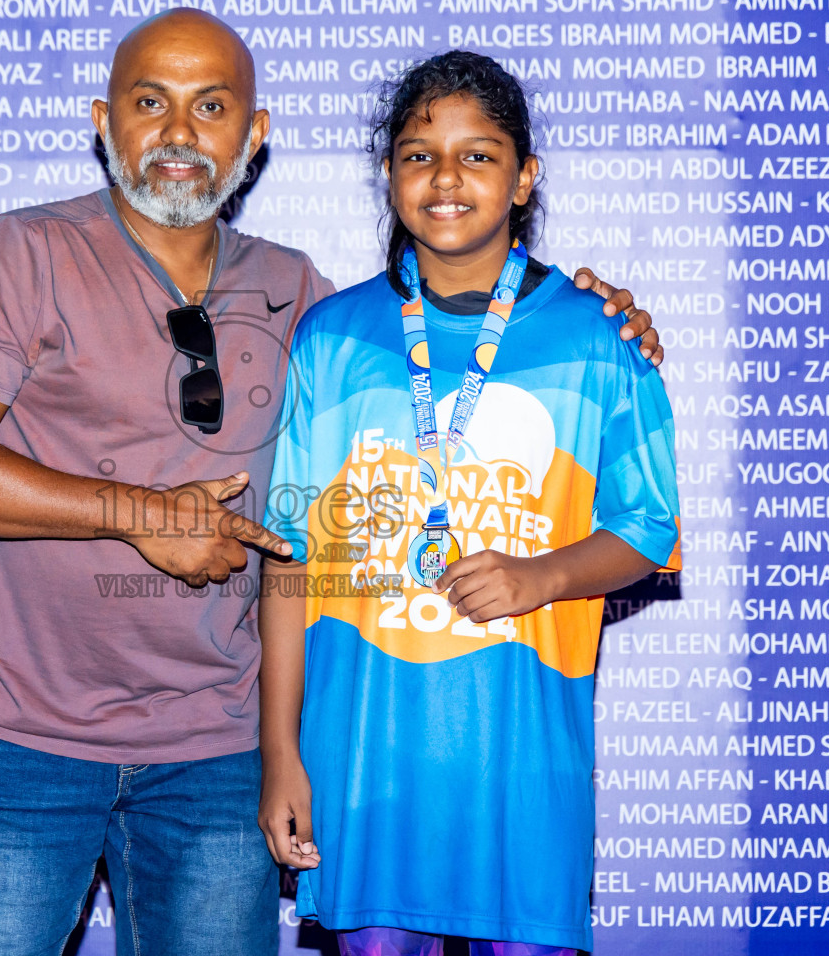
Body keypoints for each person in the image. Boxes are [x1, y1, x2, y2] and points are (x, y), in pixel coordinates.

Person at [0, 12, 665, 956]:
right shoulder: (17, 255)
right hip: (20, 742)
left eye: (211, 107)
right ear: (105, 122)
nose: (179, 133)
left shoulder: (305, 299)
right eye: (150, 103)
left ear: (253, 138)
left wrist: (606, 318)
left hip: (219, 753)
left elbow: (427, 383)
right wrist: (134, 516)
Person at [256, 51, 682, 956]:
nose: (446, 179)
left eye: (479, 155)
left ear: (525, 176)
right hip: (364, 763)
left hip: (524, 771)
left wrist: (546, 574)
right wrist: (280, 751)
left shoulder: (598, 337)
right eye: (418, 155)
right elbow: (288, 557)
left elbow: (650, 530)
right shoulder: (331, 339)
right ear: (389, 175)